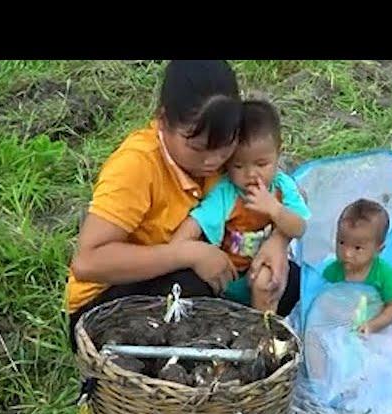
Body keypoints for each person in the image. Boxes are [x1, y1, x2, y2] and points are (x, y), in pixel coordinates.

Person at [65, 61, 298, 351]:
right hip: (108, 304)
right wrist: (186, 253)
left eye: (224, 146)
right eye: (198, 149)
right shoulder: (137, 165)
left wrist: (277, 240)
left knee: (285, 279)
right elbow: (88, 263)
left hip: (194, 271)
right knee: (193, 288)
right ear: (163, 121)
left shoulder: (229, 146)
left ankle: (232, 347)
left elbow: (285, 192)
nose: (213, 161)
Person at [171, 100, 310, 312]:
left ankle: (263, 329)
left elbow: (299, 227)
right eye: (238, 165)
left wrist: (274, 209)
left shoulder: (282, 186)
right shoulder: (226, 193)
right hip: (228, 275)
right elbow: (195, 224)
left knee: (275, 281)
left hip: (263, 271)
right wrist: (183, 249)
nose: (251, 174)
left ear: (278, 153)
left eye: (261, 164)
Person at [322, 198, 392, 334]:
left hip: (374, 323)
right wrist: (334, 312)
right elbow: (324, 299)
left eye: (357, 248)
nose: (347, 253)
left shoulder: (384, 274)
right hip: (344, 321)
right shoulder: (333, 271)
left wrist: (373, 325)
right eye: (341, 242)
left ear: (379, 249)